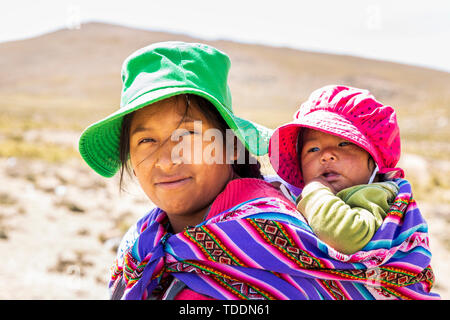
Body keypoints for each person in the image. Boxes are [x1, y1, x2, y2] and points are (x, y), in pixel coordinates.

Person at [79, 43, 438, 300]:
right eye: (146, 141)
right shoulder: (144, 242)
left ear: (231, 144)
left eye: (187, 135)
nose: (166, 160)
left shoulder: (267, 231)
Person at [270, 85, 402, 254]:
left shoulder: (375, 194)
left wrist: (314, 189)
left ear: (376, 160)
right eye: (313, 149)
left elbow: (345, 236)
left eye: (344, 143)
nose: (326, 155)